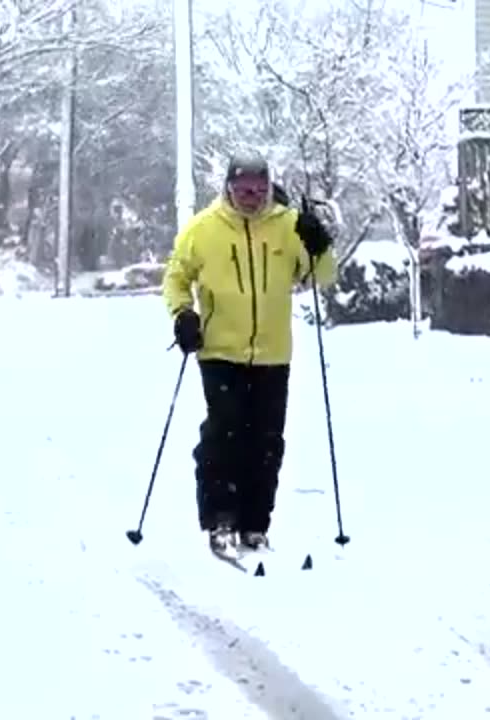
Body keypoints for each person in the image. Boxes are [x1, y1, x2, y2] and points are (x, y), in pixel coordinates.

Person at [161, 155, 337, 558]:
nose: (252, 197)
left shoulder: (288, 226)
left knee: (267, 441)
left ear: (269, 186)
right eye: (244, 190)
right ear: (228, 187)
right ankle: (221, 519)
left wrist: (318, 241)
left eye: (259, 189)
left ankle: (255, 524)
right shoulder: (202, 229)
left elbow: (321, 275)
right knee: (224, 434)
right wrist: (183, 313)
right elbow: (175, 278)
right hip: (219, 349)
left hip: (273, 354)